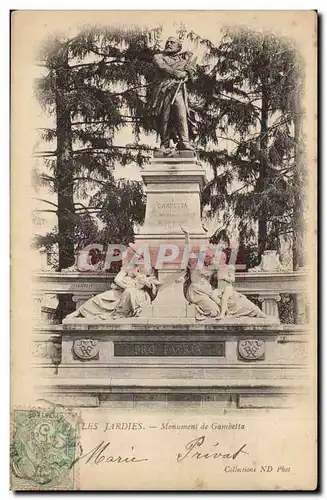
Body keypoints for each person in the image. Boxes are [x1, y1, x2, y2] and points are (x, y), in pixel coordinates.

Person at [65, 262, 162, 320]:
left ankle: (119, 314)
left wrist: (143, 282)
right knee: (98, 298)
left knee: (129, 292)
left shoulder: (149, 269)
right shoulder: (128, 266)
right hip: (120, 290)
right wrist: (125, 286)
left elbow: (154, 286)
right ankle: (78, 313)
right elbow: (117, 279)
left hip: (136, 293)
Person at [150, 37, 197, 152]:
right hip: (164, 89)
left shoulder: (184, 62)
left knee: (182, 116)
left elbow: (193, 79)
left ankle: (184, 142)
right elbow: (162, 67)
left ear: (179, 47)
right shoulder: (159, 57)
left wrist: (189, 72)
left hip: (178, 91)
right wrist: (177, 73)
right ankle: (164, 144)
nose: (169, 44)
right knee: (164, 117)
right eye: (167, 42)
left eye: (172, 42)